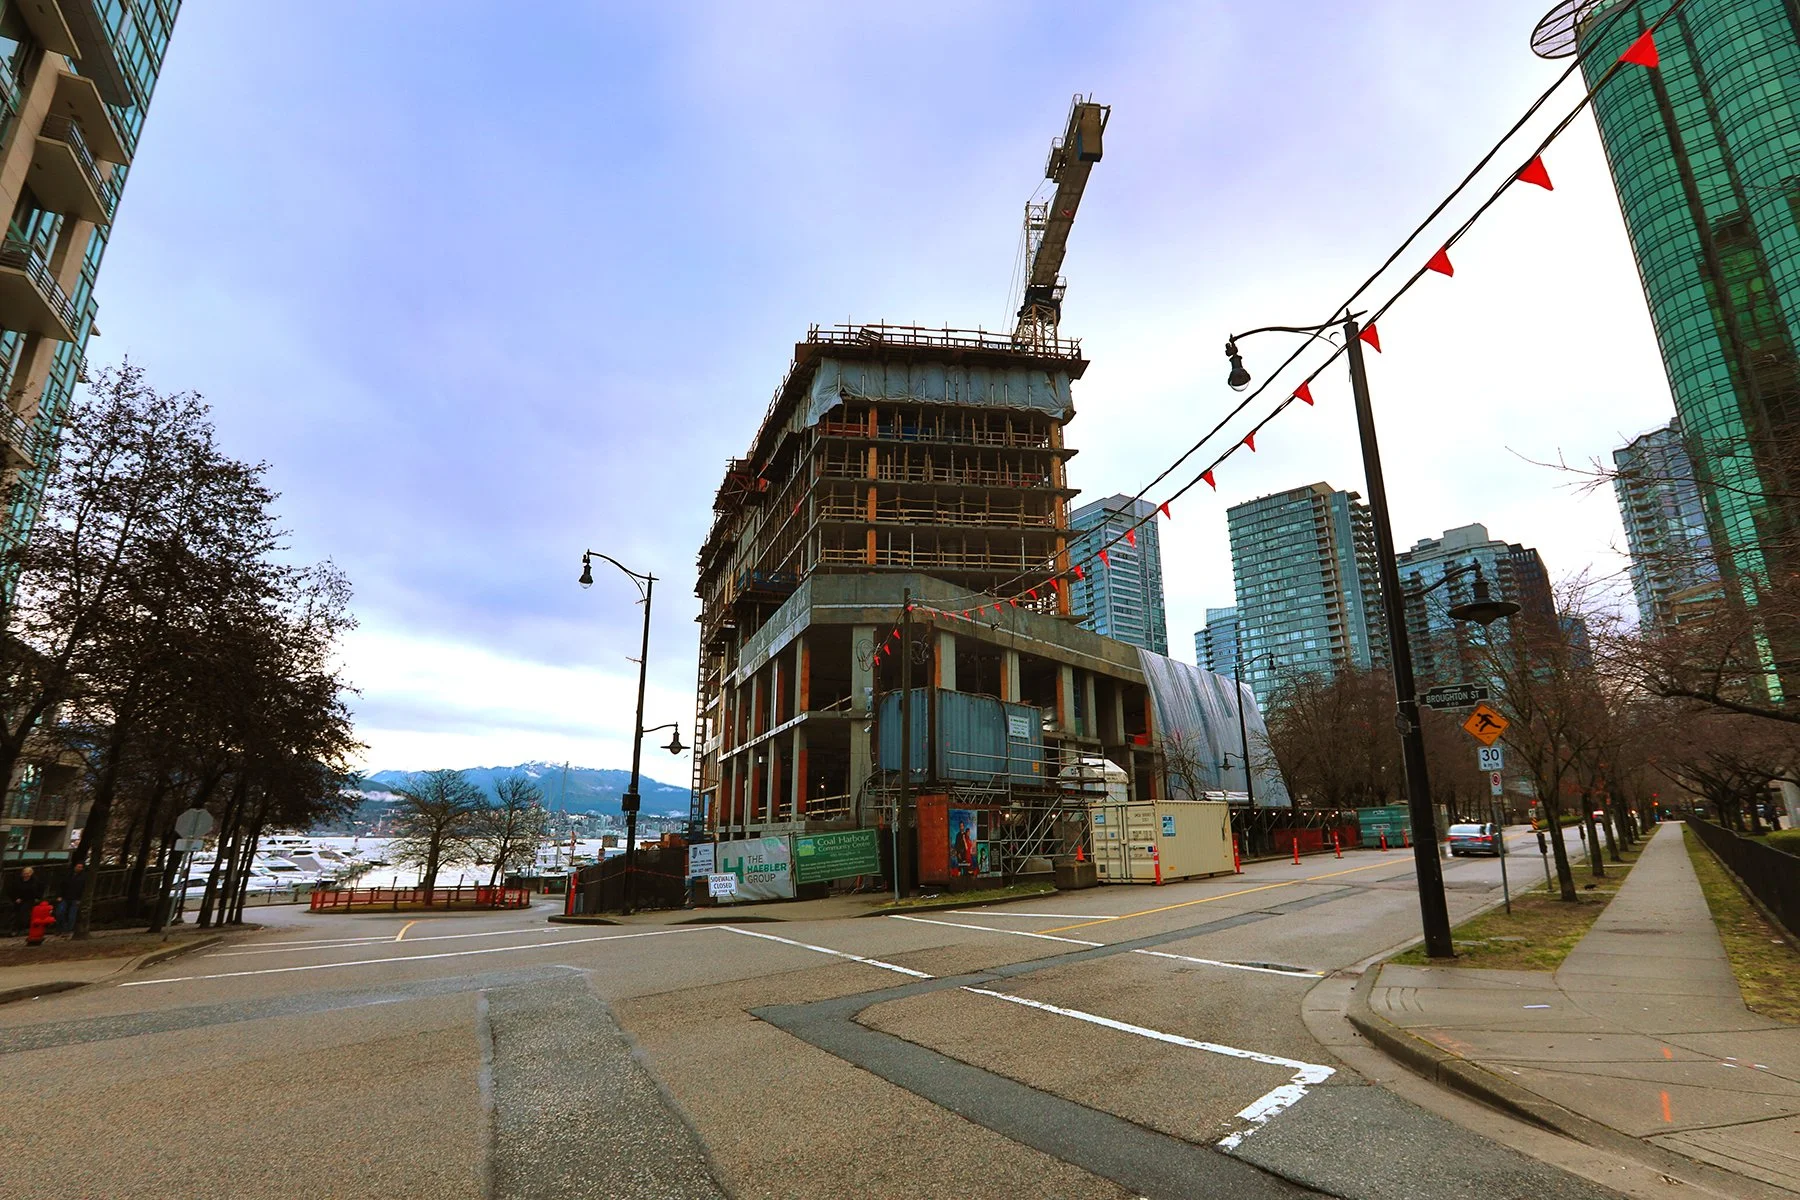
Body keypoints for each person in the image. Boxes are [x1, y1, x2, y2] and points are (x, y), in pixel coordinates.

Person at [6, 866, 43, 937]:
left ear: (31, 873)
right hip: (18, 900)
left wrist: (38, 897)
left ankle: (21, 929)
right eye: (24, 873)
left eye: (28, 873)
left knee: (24, 915)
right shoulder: (17, 881)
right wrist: (16, 898)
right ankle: (14, 930)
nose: (26, 875)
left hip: (29, 900)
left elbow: (40, 889)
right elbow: (10, 890)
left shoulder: (35, 881)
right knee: (15, 915)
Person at [56, 862, 85, 934]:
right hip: (65, 897)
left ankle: (67, 930)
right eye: (78, 867)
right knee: (60, 913)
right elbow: (61, 886)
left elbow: (82, 889)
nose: (79, 868)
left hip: (75, 898)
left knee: (71, 916)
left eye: (81, 867)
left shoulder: (83, 877)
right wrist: (59, 895)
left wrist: (79, 899)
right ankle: (60, 928)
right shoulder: (68, 875)